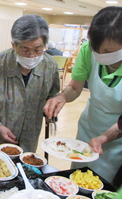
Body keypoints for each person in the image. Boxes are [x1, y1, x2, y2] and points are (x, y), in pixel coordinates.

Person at [43, 6, 122, 184]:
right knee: (79, 178)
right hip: (89, 127)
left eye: (108, 52)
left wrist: (105, 138)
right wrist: (61, 97)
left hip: (118, 138)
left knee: (105, 186)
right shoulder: (88, 50)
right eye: (97, 50)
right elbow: (75, 88)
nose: (100, 56)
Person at [0, 15, 60, 152]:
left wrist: (52, 110)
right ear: (13, 45)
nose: (32, 56)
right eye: (25, 50)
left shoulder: (50, 66)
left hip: (29, 141)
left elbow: (53, 95)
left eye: (38, 49)